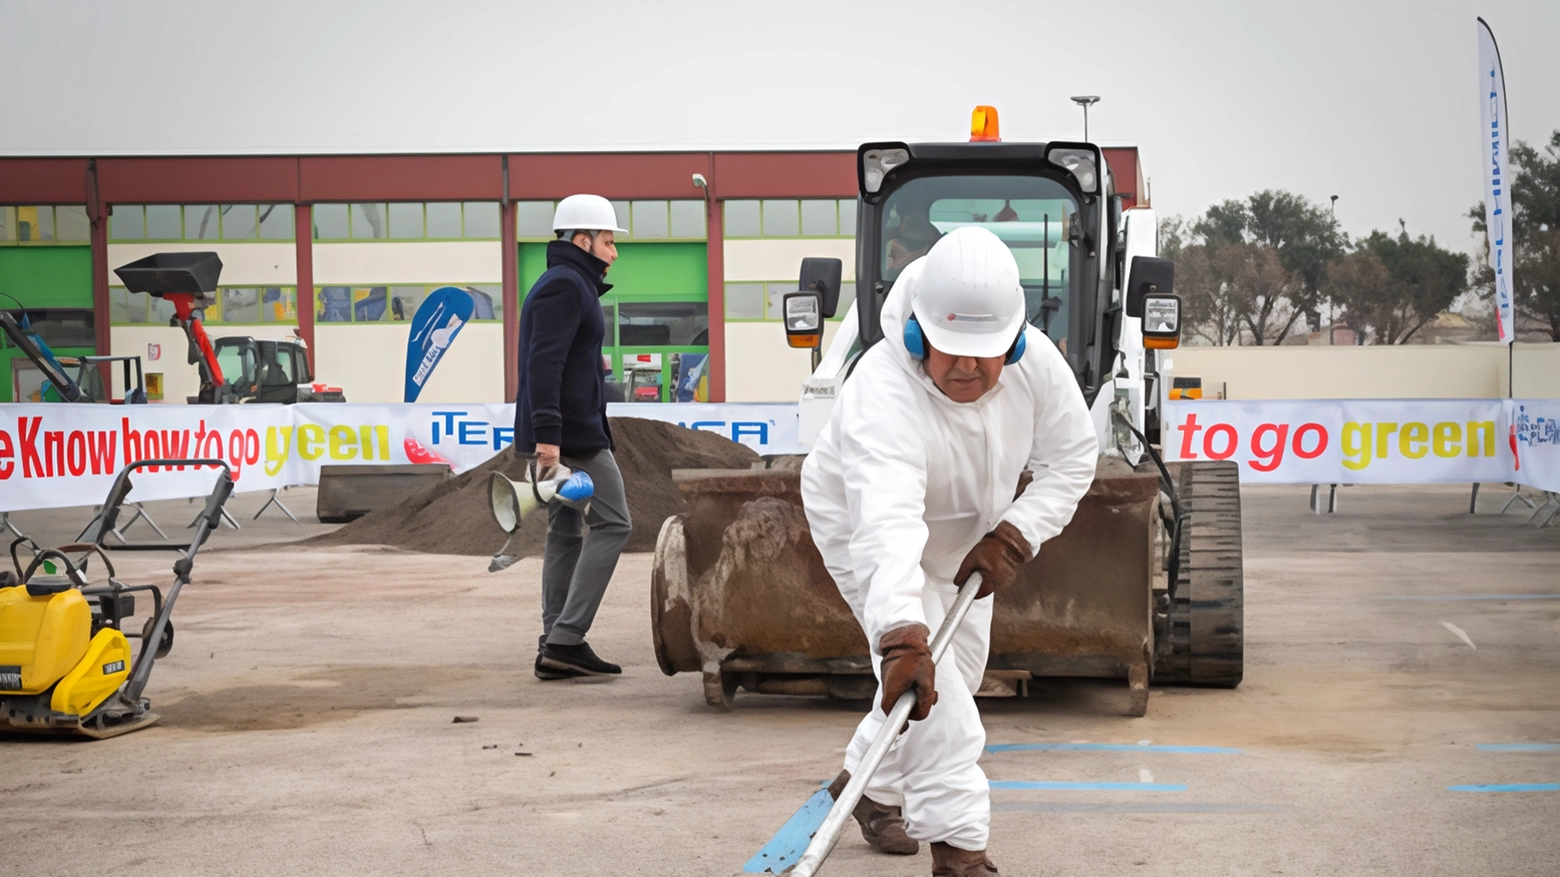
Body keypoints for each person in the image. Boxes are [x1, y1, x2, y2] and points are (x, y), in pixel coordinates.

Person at [800, 227, 1098, 876]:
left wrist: (1015, 535)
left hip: (968, 535)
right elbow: (887, 527)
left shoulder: (1036, 367)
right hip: (863, 526)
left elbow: (1074, 456)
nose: (967, 367)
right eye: (949, 349)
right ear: (916, 335)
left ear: (1015, 341)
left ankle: (866, 787)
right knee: (937, 695)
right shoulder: (883, 393)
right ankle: (960, 853)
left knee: (951, 676)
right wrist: (902, 635)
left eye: (986, 352)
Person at [514, 194, 634, 681]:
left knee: (565, 529)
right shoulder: (565, 286)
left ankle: (555, 640)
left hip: (567, 432)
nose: (614, 251)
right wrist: (549, 438)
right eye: (608, 240)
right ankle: (567, 636)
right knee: (614, 522)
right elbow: (543, 364)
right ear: (581, 239)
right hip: (572, 437)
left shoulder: (569, 284)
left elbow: (559, 359)